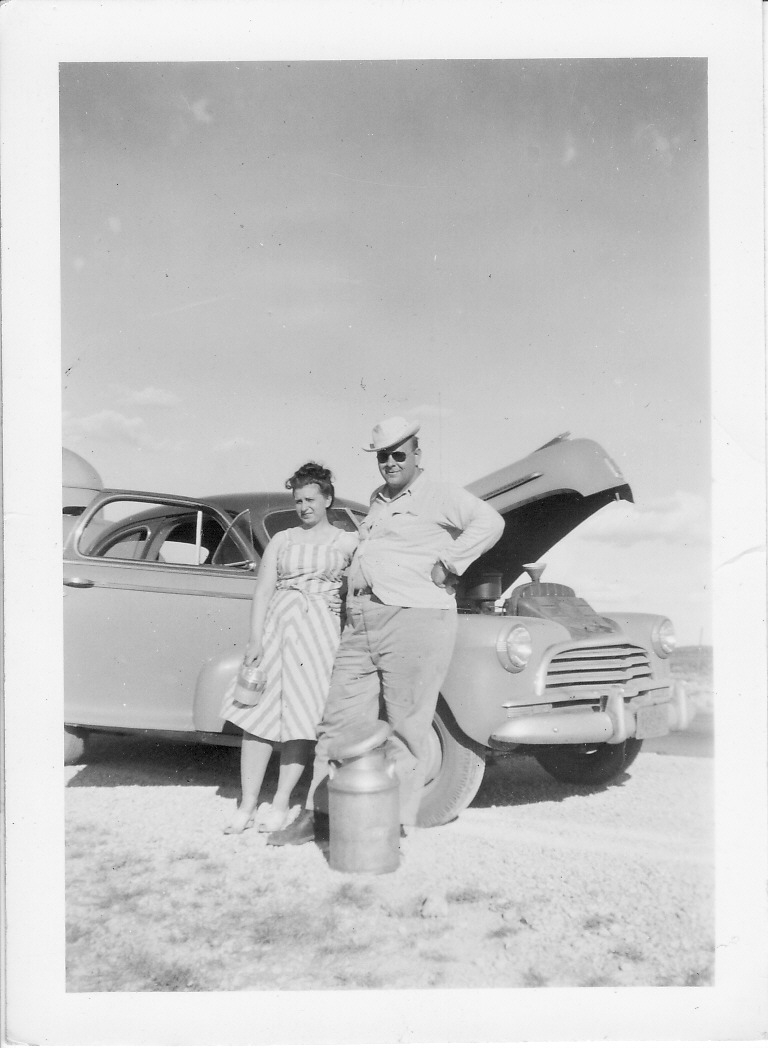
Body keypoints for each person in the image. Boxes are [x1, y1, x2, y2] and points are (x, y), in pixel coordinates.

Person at [268, 416, 504, 846]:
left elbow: (490, 523)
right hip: (363, 619)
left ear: (416, 454)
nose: (390, 463)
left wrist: (450, 563)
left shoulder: (439, 493)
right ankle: (319, 815)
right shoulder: (378, 499)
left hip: (414, 618)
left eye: (398, 454)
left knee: (406, 728)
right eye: (383, 457)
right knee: (338, 720)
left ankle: (391, 824)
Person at [221, 462, 358, 834]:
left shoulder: (347, 542)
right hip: (277, 632)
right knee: (257, 719)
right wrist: (255, 639)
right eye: (298, 501)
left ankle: (280, 803)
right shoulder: (283, 540)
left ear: (327, 499)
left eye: (310, 499)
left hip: (319, 637)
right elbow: (263, 591)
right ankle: (247, 804)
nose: (303, 507)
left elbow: (360, 586)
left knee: (300, 720)